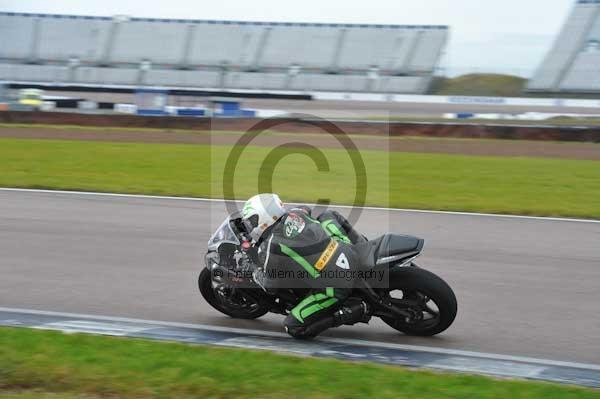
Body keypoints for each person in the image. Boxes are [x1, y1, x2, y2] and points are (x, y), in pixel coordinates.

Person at [240, 193, 370, 339]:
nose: (250, 226)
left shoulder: (271, 246)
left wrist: (253, 271)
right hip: (347, 249)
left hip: (335, 284)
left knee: (293, 327)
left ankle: (351, 312)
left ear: (263, 220)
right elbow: (305, 208)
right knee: (328, 215)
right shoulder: (295, 213)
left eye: (251, 221)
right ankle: (365, 247)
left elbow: (271, 286)